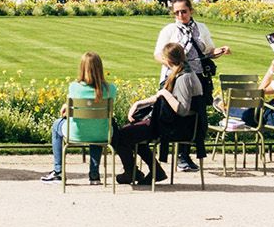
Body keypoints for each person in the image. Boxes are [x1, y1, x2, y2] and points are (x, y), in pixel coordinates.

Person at [110, 43, 200, 187]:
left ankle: (132, 172)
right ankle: (150, 171)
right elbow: (162, 97)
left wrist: (164, 93)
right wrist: (139, 103)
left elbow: (181, 109)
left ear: (167, 60)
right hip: (171, 122)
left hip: (175, 126)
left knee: (122, 135)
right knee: (131, 132)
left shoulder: (184, 78)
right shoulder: (183, 72)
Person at [155, 0, 225, 173]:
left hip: (198, 77)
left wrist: (221, 51)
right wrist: (175, 66)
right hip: (175, 78)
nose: (180, 16)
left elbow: (208, 52)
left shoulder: (201, 28)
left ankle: (187, 153)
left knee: (196, 115)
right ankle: (181, 155)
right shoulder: (169, 30)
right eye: (176, 13)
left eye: (183, 12)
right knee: (178, 113)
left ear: (191, 10)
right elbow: (158, 55)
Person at [40, 52, 116, 183]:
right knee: (96, 127)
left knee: (56, 125)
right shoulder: (110, 89)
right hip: (103, 134)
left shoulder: (75, 87)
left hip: (76, 134)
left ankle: (58, 171)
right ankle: (94, 174)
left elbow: (66, 112)